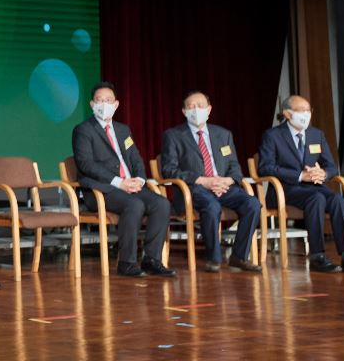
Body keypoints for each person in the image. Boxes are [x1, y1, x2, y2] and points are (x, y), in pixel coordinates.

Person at [71, 82, 175, 278]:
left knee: (161, 203)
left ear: (116, 104)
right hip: (101, 190)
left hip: (130, 186)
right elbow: (86, 164)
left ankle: (152, 259)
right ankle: (127, 262)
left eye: (108, 100)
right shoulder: (83, 130)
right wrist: (119, 182)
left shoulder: (123, 130)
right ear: (92, 104)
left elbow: (135, 158)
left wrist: (140, 179)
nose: (104, 105)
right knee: (134, 204)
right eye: (99, 101)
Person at [257, 94, 344, 274]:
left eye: (308, 110)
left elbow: (331, 166)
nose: (306, 115)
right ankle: (317, 256)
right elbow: (265, 167)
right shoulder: (273, 135)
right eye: (301, 111)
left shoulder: (316, 134)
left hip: (314, 187)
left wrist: (324, 173)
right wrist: (300, 176)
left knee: (337, 199)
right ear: (287, 114)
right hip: (285, 189)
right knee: (317, 198)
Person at [159, 91, 262, 273]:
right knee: (211, 205)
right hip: (193, 188)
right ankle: (214, 258)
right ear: (184, 111)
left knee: (253, 204)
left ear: (209, 109)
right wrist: (203, 181)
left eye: (200, 106)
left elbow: (234, 167)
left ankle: (239, 257)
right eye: (191, 107)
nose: (196, 110)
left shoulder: (223, 134)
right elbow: (169, 169)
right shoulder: (173, 135)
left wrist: (226, 181)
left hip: (223, 186)